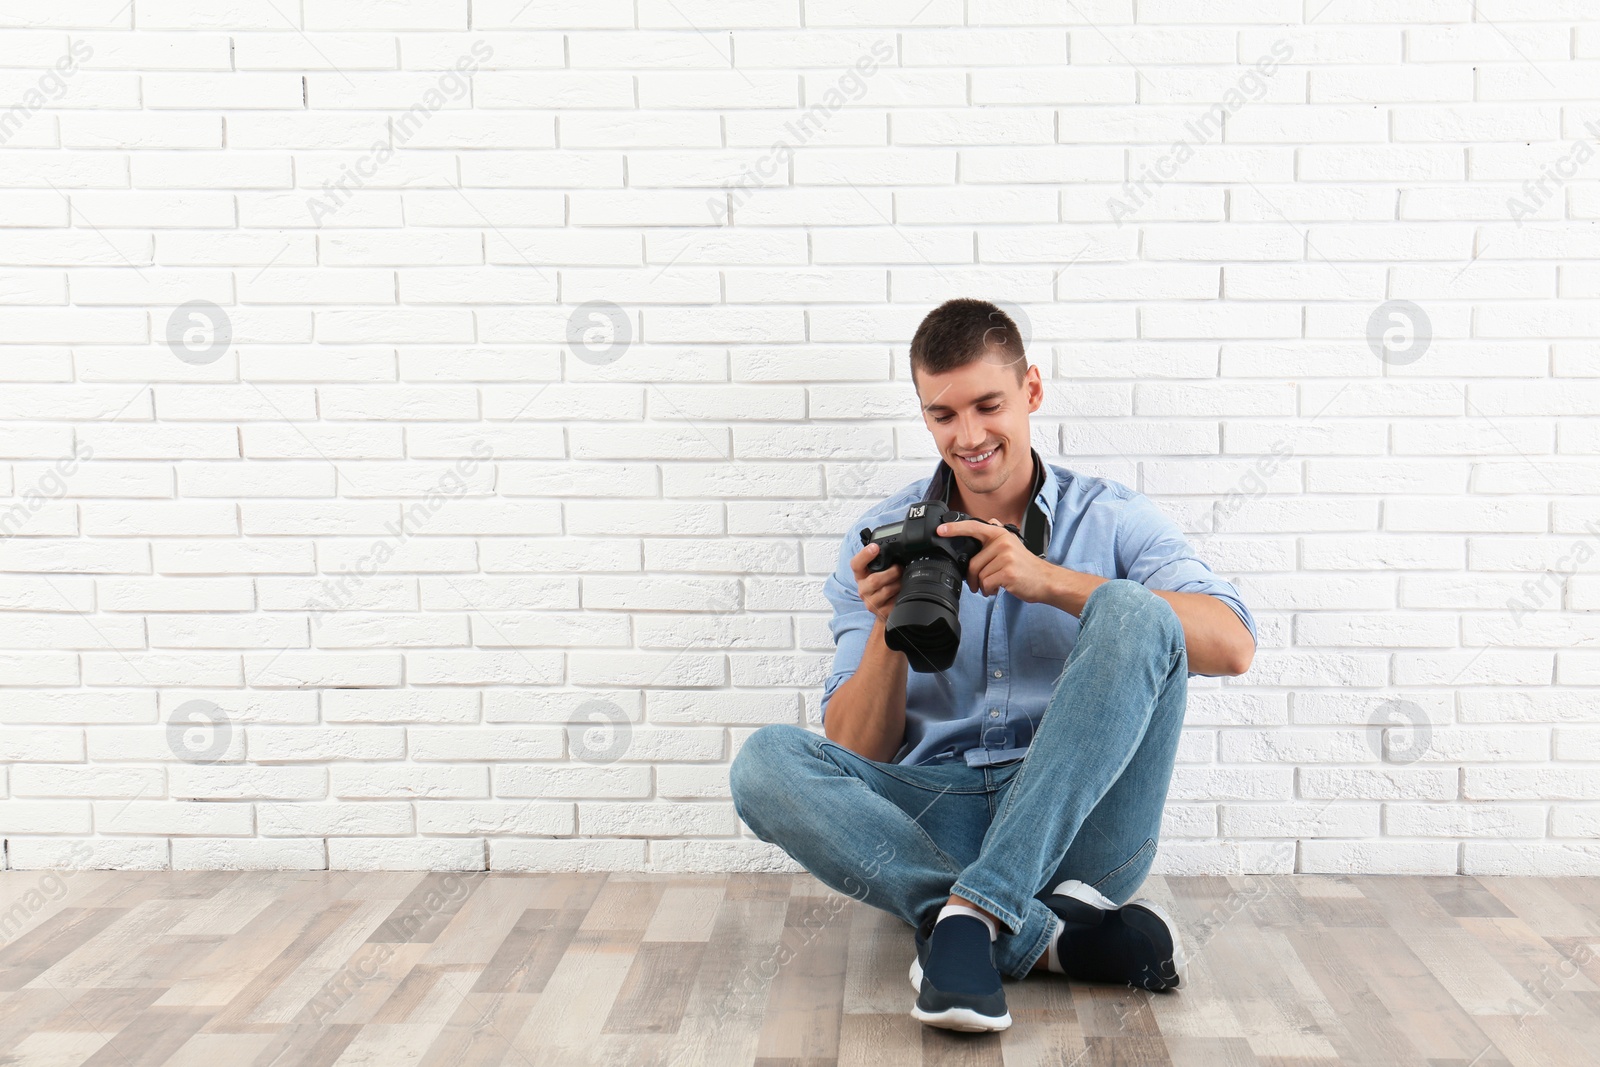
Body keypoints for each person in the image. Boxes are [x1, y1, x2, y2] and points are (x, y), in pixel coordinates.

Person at [729, 298, 1258, 1033]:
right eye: (944, 414)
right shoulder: (886, 536)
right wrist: (887, 625)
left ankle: (964, 915)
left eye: (988, 404)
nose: (969, 435)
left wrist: (1051, 581)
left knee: (1136, 609)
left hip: (1083, 831)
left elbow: (1232, 644)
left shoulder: (1109, 516)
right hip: (938, 813)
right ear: (925, 416)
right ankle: (1028, 931)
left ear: (1031, 391)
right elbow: (852, 751)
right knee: (762, 761)